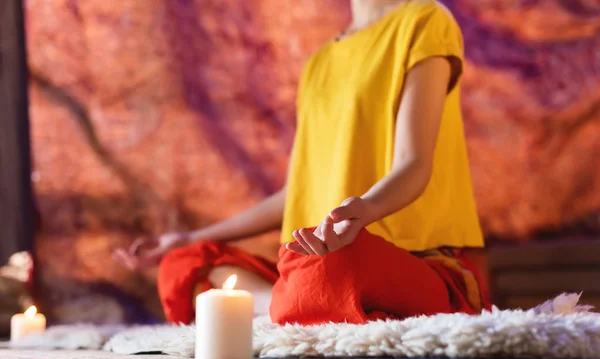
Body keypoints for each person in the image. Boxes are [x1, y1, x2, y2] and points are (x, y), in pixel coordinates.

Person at [115, 0, 491, 325]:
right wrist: (189, 238)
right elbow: (296, 191)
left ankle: (282, 305)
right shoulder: (320, 62)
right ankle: (285, 304)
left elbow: (413, 163)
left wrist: (367, 208)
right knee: (182, 262)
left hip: (405, 261)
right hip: (311, 260)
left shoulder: (425, 21)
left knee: (332, 270)